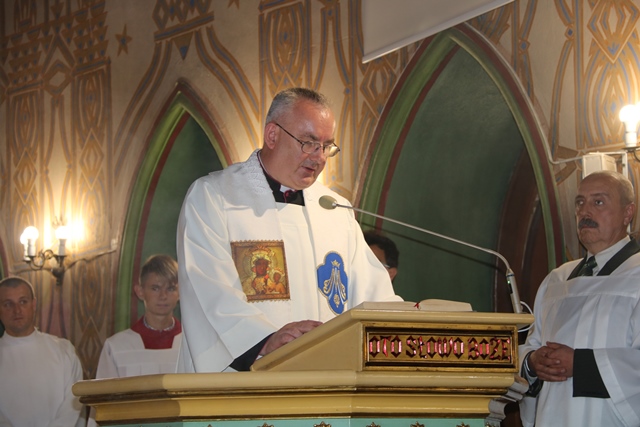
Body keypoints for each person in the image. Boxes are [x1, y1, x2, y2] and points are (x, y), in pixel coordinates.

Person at [177, 87, 400, 373]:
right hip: (246, 383)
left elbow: (374, 295)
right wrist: (263, 340)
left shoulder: (334, 209)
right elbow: (207, 286)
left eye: (326, 146)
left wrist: (412, 322)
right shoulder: (215, 197)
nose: (319, 157)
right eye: (308, 143)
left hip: (327, 378)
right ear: (272, 135)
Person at [519, 170, 640, 426]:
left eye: (598, 202)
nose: (585, 211)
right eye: (580, 203)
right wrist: (532, 363)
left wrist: (582, 365)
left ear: (628, 213)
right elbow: (533, 343)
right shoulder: (557, 280)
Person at [0, 276, 84, 427]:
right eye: (8, 304)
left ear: (34, 304)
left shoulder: (63, 350)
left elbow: (74, 402)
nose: (17, 310)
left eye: (23, 302)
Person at [94, 254, 182, 378]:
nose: (163, 296)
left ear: (180, 292)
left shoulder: (193, 345)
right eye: (155, 288)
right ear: (140, 292)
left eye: (171, 288)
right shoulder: (117, 347)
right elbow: (105, 390)